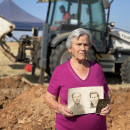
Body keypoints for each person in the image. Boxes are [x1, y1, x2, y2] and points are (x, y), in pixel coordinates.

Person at [44, 28, 111, 130]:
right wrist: (60, 108)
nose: (83, 49)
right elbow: (49, 98)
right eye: (78, 44)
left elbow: (107, 92)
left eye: (86, 45)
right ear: (70, 48)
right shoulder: (60, 71)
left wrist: (106, 105)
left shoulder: (97, 69)